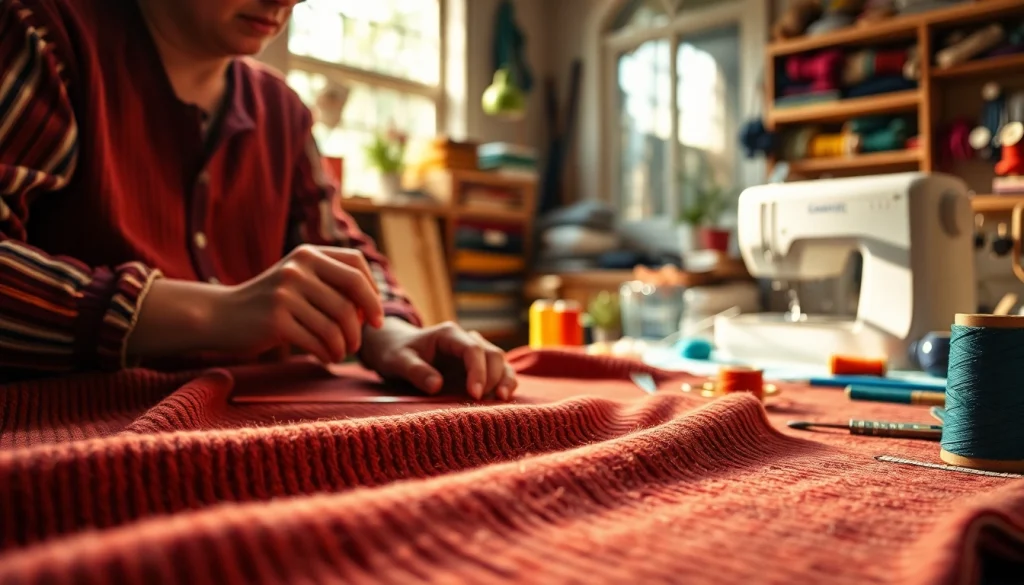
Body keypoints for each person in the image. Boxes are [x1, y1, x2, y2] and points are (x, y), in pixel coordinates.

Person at [0, 0, 518, 400]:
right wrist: (213, 314)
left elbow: (341, 248)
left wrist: (392, 334)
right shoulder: (44, 35)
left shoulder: (284, 113)